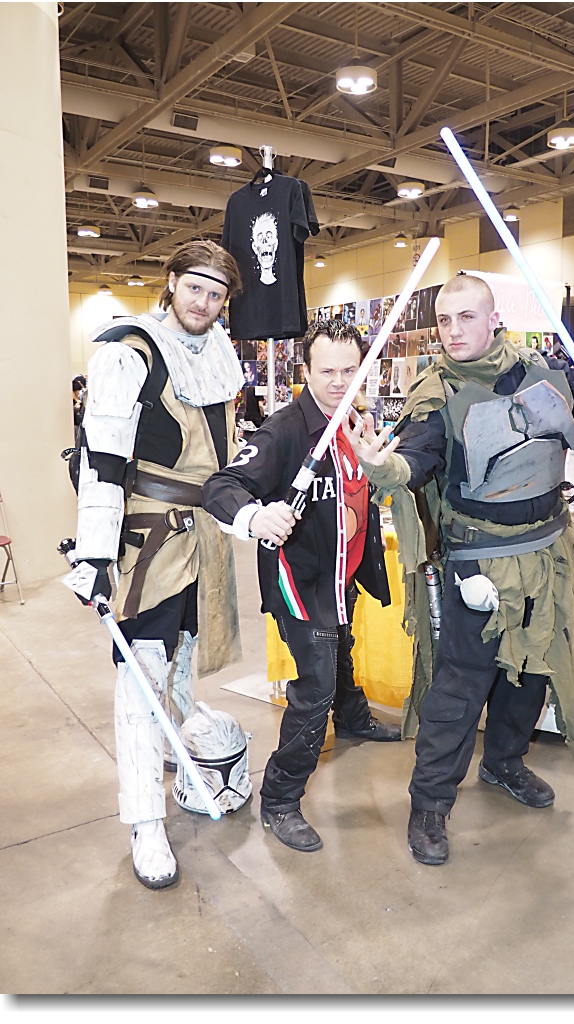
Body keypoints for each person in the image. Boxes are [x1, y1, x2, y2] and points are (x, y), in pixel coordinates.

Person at [345, 274, 574, 866]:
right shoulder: (436, 393)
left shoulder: (543, 370)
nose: (453, 331)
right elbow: (416, 459)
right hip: (478, 562)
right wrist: (383, 467)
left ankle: (505, 763)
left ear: (494, 319)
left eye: (466, 317)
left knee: (531, 671)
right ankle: (429, 804)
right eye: (444, 320)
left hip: (546, 553)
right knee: (461, 685)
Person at [63, 240, 246, 890]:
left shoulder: (218, 354)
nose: (204, 302)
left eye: (216, 293)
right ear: (171, 282)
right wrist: (95, 554)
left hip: (205, 532)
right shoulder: (128, 351)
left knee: (182, 663)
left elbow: (224, 454)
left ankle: (177, 760)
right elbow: (103, 460)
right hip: (150, 540)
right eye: (195, 287)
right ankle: (145, 821)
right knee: (141, 680)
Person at [201, 319, 400, 855]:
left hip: (341, 574)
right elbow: (221, 485)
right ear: (305, 371)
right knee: (314, 691)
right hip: (301, 583)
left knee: (342, 650)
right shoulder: (285, 430)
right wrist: (254, 516)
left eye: (349, 370)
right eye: (327, 371)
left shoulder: (354, 421)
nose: (339, 382)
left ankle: (353, 719)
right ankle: (280, 799)